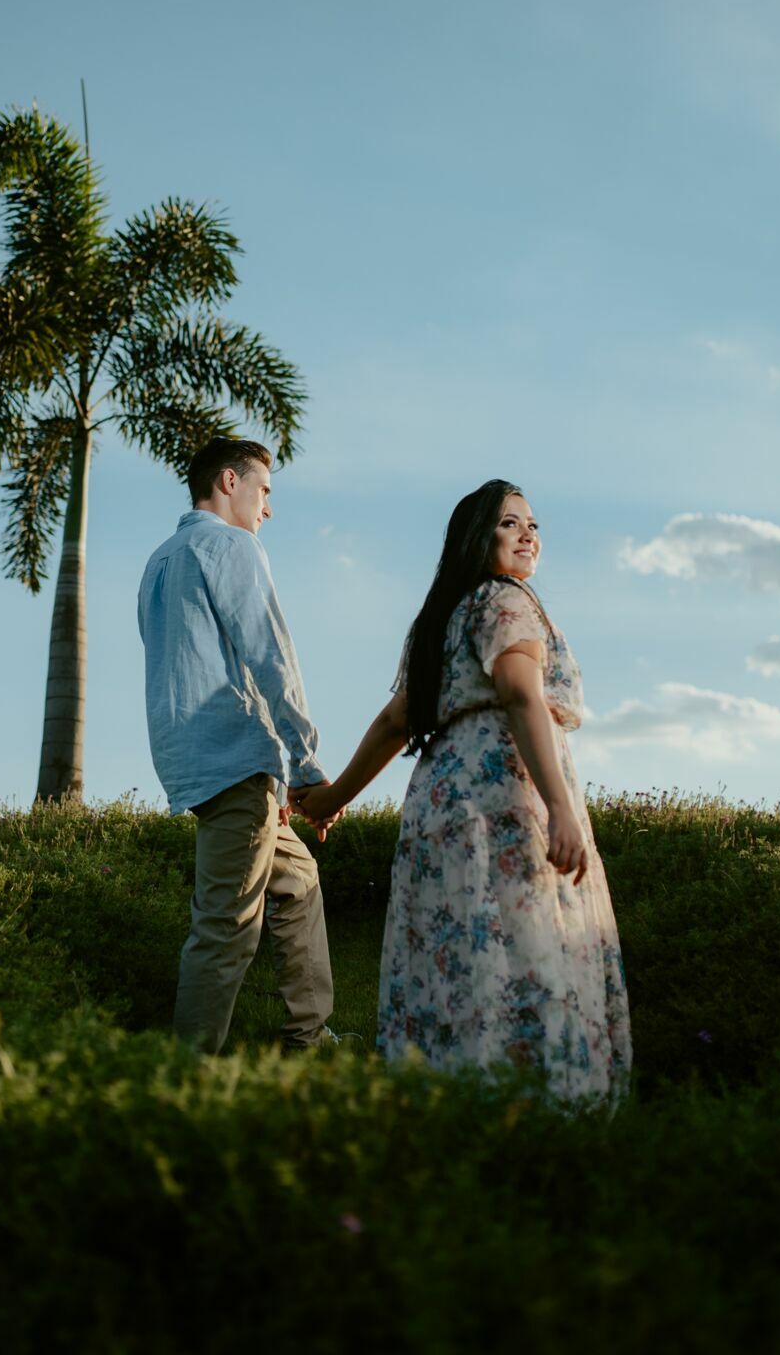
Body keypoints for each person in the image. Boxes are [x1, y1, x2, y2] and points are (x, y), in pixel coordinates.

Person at [298, 479, 631, 1099]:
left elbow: (397, 720)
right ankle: (533, 1113)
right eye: (509, 523)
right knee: (525, 951)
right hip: (504, 799)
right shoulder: (507, 602)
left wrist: (334, 797)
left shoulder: (440, 621)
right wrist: (560, 805)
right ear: (477, 538)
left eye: (533, 524)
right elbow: (520, 692)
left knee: (457, 958)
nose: (528, 534)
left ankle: (446, 1107)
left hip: (440, 806)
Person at [138, 435, 340, 1054]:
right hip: (232, 758)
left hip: (202, 761)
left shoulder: (160, 560)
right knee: (227, 927)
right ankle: (188, 1077)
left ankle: (309, 1037)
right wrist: (305, 766)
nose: (268, 508)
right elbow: (269, 655)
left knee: (299, 880)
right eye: (265, 490)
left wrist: (272, 779)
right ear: (230, 482)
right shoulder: (232, 545)